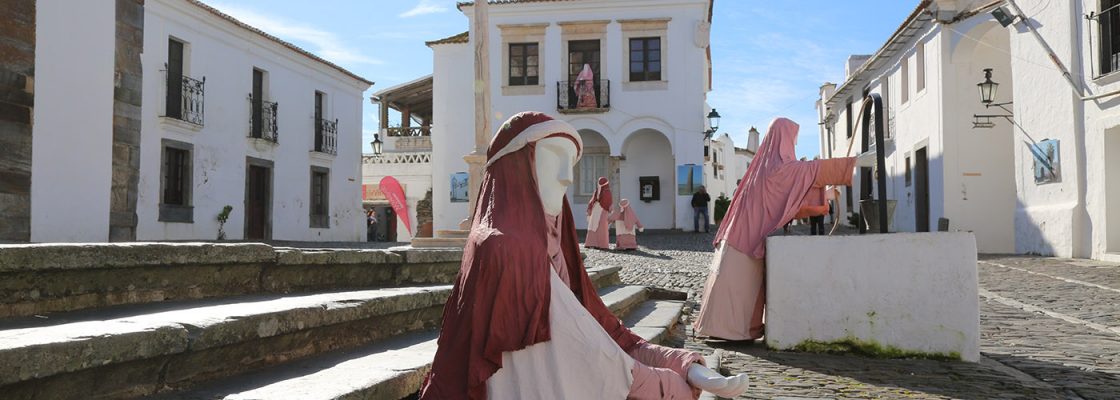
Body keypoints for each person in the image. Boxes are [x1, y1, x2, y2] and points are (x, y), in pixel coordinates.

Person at [419, 111, 748, 400]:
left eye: (571, 161)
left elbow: (601, 329)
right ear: (518, 166)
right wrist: (670, 385)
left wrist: (682, 362)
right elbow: (585, 351)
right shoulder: (506, 247)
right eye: (553, 156)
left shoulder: (550, 243)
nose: (566, 175)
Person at [694, 117, 856, 341]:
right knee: (737, 290)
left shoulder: (765, 168)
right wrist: (850, 165)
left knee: (740, 289)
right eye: (793, 139)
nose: (795, 145)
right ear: (783, 138)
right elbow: (808, 173)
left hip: (739, 238)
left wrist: (824, 196)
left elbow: (787, 203)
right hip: (743, 240)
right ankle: (728, 330)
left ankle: (734, 329)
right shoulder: (778, 168)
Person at [585, 176, 613, 250]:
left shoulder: (607, 191)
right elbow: (593, 200)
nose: (600, 184)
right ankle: (592, 243)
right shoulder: (598, 191)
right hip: (596, 211)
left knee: (602, 227)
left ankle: (602, 244)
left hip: (603, 211)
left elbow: (608, 202)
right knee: (593, 226)